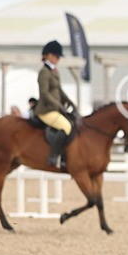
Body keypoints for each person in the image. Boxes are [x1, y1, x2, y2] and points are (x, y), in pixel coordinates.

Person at [35, 40, 76, 169]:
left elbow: (59, 90)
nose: (58, 59)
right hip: (46, 110)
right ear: (49, 55)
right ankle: (53, 156)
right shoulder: (44, 72)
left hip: (55, 109)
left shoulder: (54, 71)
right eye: (57, 56)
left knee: (73, 122)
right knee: (66, 126)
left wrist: (70, 102)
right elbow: (44, 93)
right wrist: (59, 105)